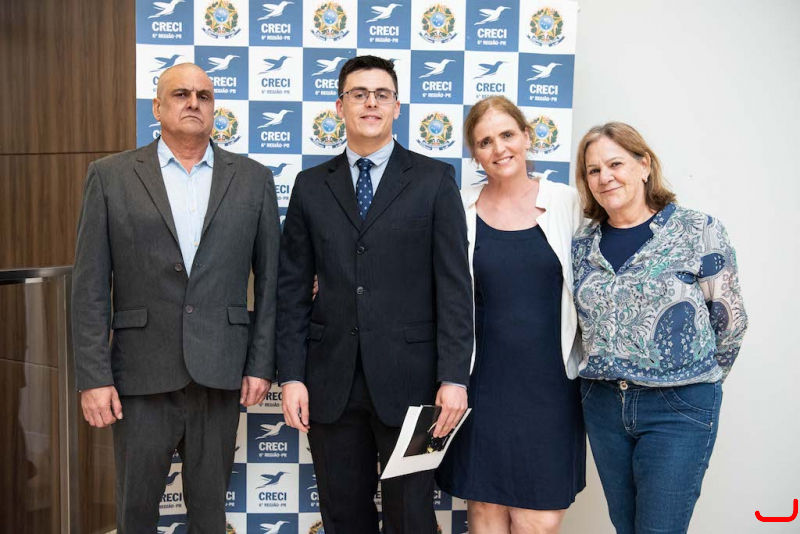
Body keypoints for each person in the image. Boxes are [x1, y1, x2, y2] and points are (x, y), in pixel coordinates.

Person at [72, 63, 280, 533]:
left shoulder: (253, 179)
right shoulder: (109, 176)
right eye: (181, 94)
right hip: (139, 375)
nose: (193, 103)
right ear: (157, 107)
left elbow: (270, 284)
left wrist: (261, 362)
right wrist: (93, 377)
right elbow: (89, 286)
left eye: (204, 95)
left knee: (210, 516)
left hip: (220, 373)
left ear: (214, 108)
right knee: (135, 514)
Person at [276, 55, 473, 534]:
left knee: (412, 518)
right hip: (330, 384)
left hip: (416, 385)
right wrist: (292, 376)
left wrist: (453, 376)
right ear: (339, 106)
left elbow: (454, 287)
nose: (370, 103)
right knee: (344, 516)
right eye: (359, 94)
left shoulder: (434, 180)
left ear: (396, 106)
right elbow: (292, 289)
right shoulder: (309, 186)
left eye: (382, 94)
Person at [571, 122, 748, 534]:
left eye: (615, 164)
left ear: (644, 165)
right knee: (626, 527)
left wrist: (695, 382)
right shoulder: (582, 243)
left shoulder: (698, 230)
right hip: (602, 404)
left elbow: (730, 321)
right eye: (594, 170)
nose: (605, 176)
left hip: (678, 406)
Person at [436, 96, 586, 534]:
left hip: (551, 386)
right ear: (475, 154)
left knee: (538, 519)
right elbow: (425, 278)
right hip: (482, 384)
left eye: (507, 135)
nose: (499, 148)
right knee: (485, 512)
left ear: (527, 136)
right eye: (485, 142)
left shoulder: (567, 202)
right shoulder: (459, 206)